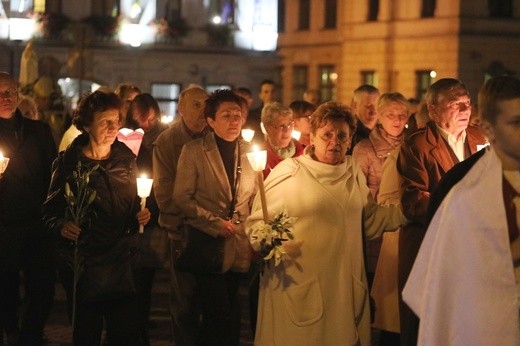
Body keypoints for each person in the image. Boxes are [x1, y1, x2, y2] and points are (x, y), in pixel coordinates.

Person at [246, 101, 406, 346]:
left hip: (343, 286)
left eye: (342, 136)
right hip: (300, 286)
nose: (335, 142)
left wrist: (409, 212)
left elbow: (369, 221)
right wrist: (263, 236)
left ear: (351, 139)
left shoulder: (353, 171)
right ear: (312, 138)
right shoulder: (290, 172)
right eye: (327, 135)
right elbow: (259, 220)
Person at [403, 75, 520, 345]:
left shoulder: (478, 144)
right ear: (491, 127)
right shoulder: (459, 192)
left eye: (468, 104)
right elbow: (441, 290)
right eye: (514, 123)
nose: (465, 111)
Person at [42, 91, 151, 345]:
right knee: (87, 333)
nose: (114, 128)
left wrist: (141, 214)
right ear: (87, 124)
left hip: (122, 259)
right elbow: (49, 211)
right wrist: (61, 225)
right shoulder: (69, 162)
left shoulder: (126, 158)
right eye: (105, 122)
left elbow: (135, 203)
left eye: (116, 121)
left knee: (124, 333)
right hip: (85, 263)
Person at [396, 78, 487, 346]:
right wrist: (463, 205)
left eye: (467, 103)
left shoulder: (481, 138)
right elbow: (413, 201)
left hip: (472, 252)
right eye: (454, 104)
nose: (464, 110)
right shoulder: (418, 145)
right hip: (431, 247)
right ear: (433, 110)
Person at [173, 89, 257, 346]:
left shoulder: (250, 152)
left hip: (238, 243)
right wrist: (213, 223)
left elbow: (255, 196)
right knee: (216, 313)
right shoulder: (195, 151)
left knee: (231, 311)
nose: (234, 121)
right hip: (208, 244)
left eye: (238, 115)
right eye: (226, 115)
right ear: (211, 121)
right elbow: (182, 197)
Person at [0, 71, 57, 345]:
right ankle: (11, 330)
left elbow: (54, 173)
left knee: (42, 287)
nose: (5, 98)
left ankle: (31, 335)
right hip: (4, 223)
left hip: (38, 223)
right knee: (6, 286)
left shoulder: (39, 131)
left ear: (18, 92)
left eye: (9, 92)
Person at [152, 85, 209, 345]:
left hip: (212, 230)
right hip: (182, 231)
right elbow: (164, 192)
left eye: (205, 104)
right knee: (184, 301)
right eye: (195, 105)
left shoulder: (213, 136)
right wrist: (193, 217)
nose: (202, 110)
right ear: (181, 109)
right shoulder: (167, 141)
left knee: (210, 301)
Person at [352, 92, 410, 345]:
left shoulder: (413, 146)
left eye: (402, 115)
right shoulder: (365, 149)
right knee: (378, 303)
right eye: (391, 115)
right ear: (380, 116)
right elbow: (356, 193)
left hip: (403, 233)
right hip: (375, 235)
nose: (397, 121)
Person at [127, 93, 169, 345]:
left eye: (150, 120)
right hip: (134, 215)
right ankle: (133, 328)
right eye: (141, 121)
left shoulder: (163, 140)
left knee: (147, 277)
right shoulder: (128, 140)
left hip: (155, 215)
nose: (145, 126)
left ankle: (141, 323)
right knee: (134, 278)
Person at [261, 102, 304, 177]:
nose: (286, 130)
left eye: (289, 124)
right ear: (267, 128)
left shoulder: (305, 153)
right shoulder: (260, 158)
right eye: (281, 126)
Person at [347, 84, 380, 154]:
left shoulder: (384, 131)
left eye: (377, 105)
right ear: (356, 105)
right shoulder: (349, 134)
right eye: (369, 106)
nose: (374, 110)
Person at [247, 79, 276, 143]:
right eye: (266, 92)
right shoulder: (252, 115)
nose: (270, 94)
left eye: (272, 91)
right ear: (260, 95)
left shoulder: (283, 115)